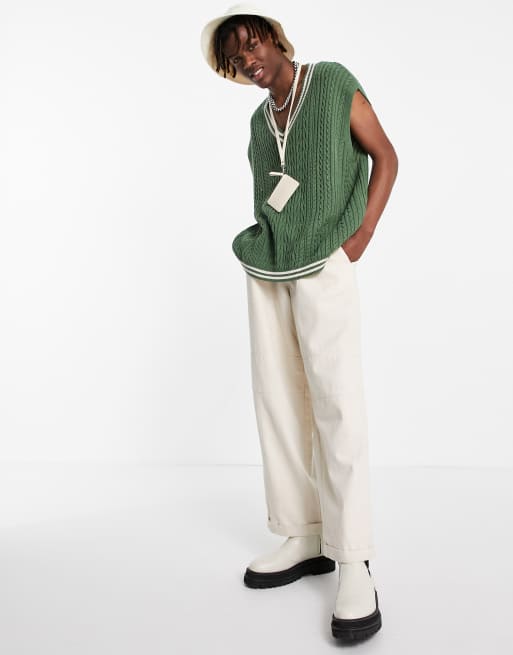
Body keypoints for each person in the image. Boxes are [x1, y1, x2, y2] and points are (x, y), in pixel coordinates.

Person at [200, 3, 398, 643]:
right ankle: (304, 532)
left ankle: (353, 559)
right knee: (280, 401)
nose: (248, 61)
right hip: (271, 270)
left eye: (252, 45)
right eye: (236, 58)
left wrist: (362, 235)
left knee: (336, 405)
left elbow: (386, 156)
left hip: (326, 265)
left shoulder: (333, 81)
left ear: (276, 40)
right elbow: (270, 195)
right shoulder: (259, 122)